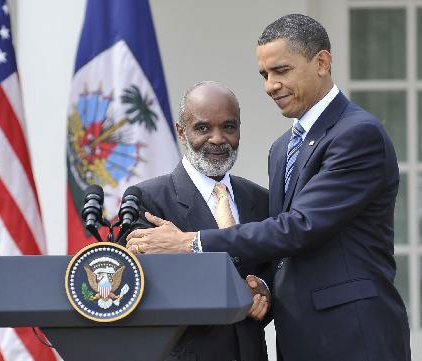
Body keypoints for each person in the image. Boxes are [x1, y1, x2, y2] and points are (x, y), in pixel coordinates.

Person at [127, 14, 411, 361]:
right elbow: (281, 254)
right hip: (298, 339)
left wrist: (190, 242)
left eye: (281, 70)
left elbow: (299, 227)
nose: (270, 85)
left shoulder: (356, 134)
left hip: (353, 336)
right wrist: (261, 288)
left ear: (322, 62)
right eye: (264, 74)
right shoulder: (282, 148)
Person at [123, 81, 272, 361]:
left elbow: (280, 268)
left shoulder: (261, 199)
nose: (217, 138)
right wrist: (230, 287)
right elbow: (145, 286)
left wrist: (263, 288)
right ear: (182, 132)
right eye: (203, 128)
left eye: (228, 126)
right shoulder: (147, 199)